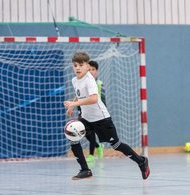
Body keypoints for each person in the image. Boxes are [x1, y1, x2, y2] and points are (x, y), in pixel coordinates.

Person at [63, 51, 150, 180]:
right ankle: (85, 170)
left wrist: (74, 104)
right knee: (72, 136)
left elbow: (93, 98)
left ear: (87, 66)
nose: (78, 68)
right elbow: (80, 93)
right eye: (75, 65)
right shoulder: (75, 80)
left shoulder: (89, 80)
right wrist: (72, 103)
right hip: (86, 119)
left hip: (101, 119)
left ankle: (141, 161)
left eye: (81, 65)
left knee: (116, 145)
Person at [78, 60, 105, 162]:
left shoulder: (99, 83)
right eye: (90, 69)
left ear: (97, 71)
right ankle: (98, 146)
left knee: (92, 133)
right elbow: (79, 96)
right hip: (83, 111)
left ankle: (91, 155)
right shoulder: (82, 82)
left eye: (93, 69)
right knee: (83, 132)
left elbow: (103, 99)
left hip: (95, 113)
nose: (91, 71)